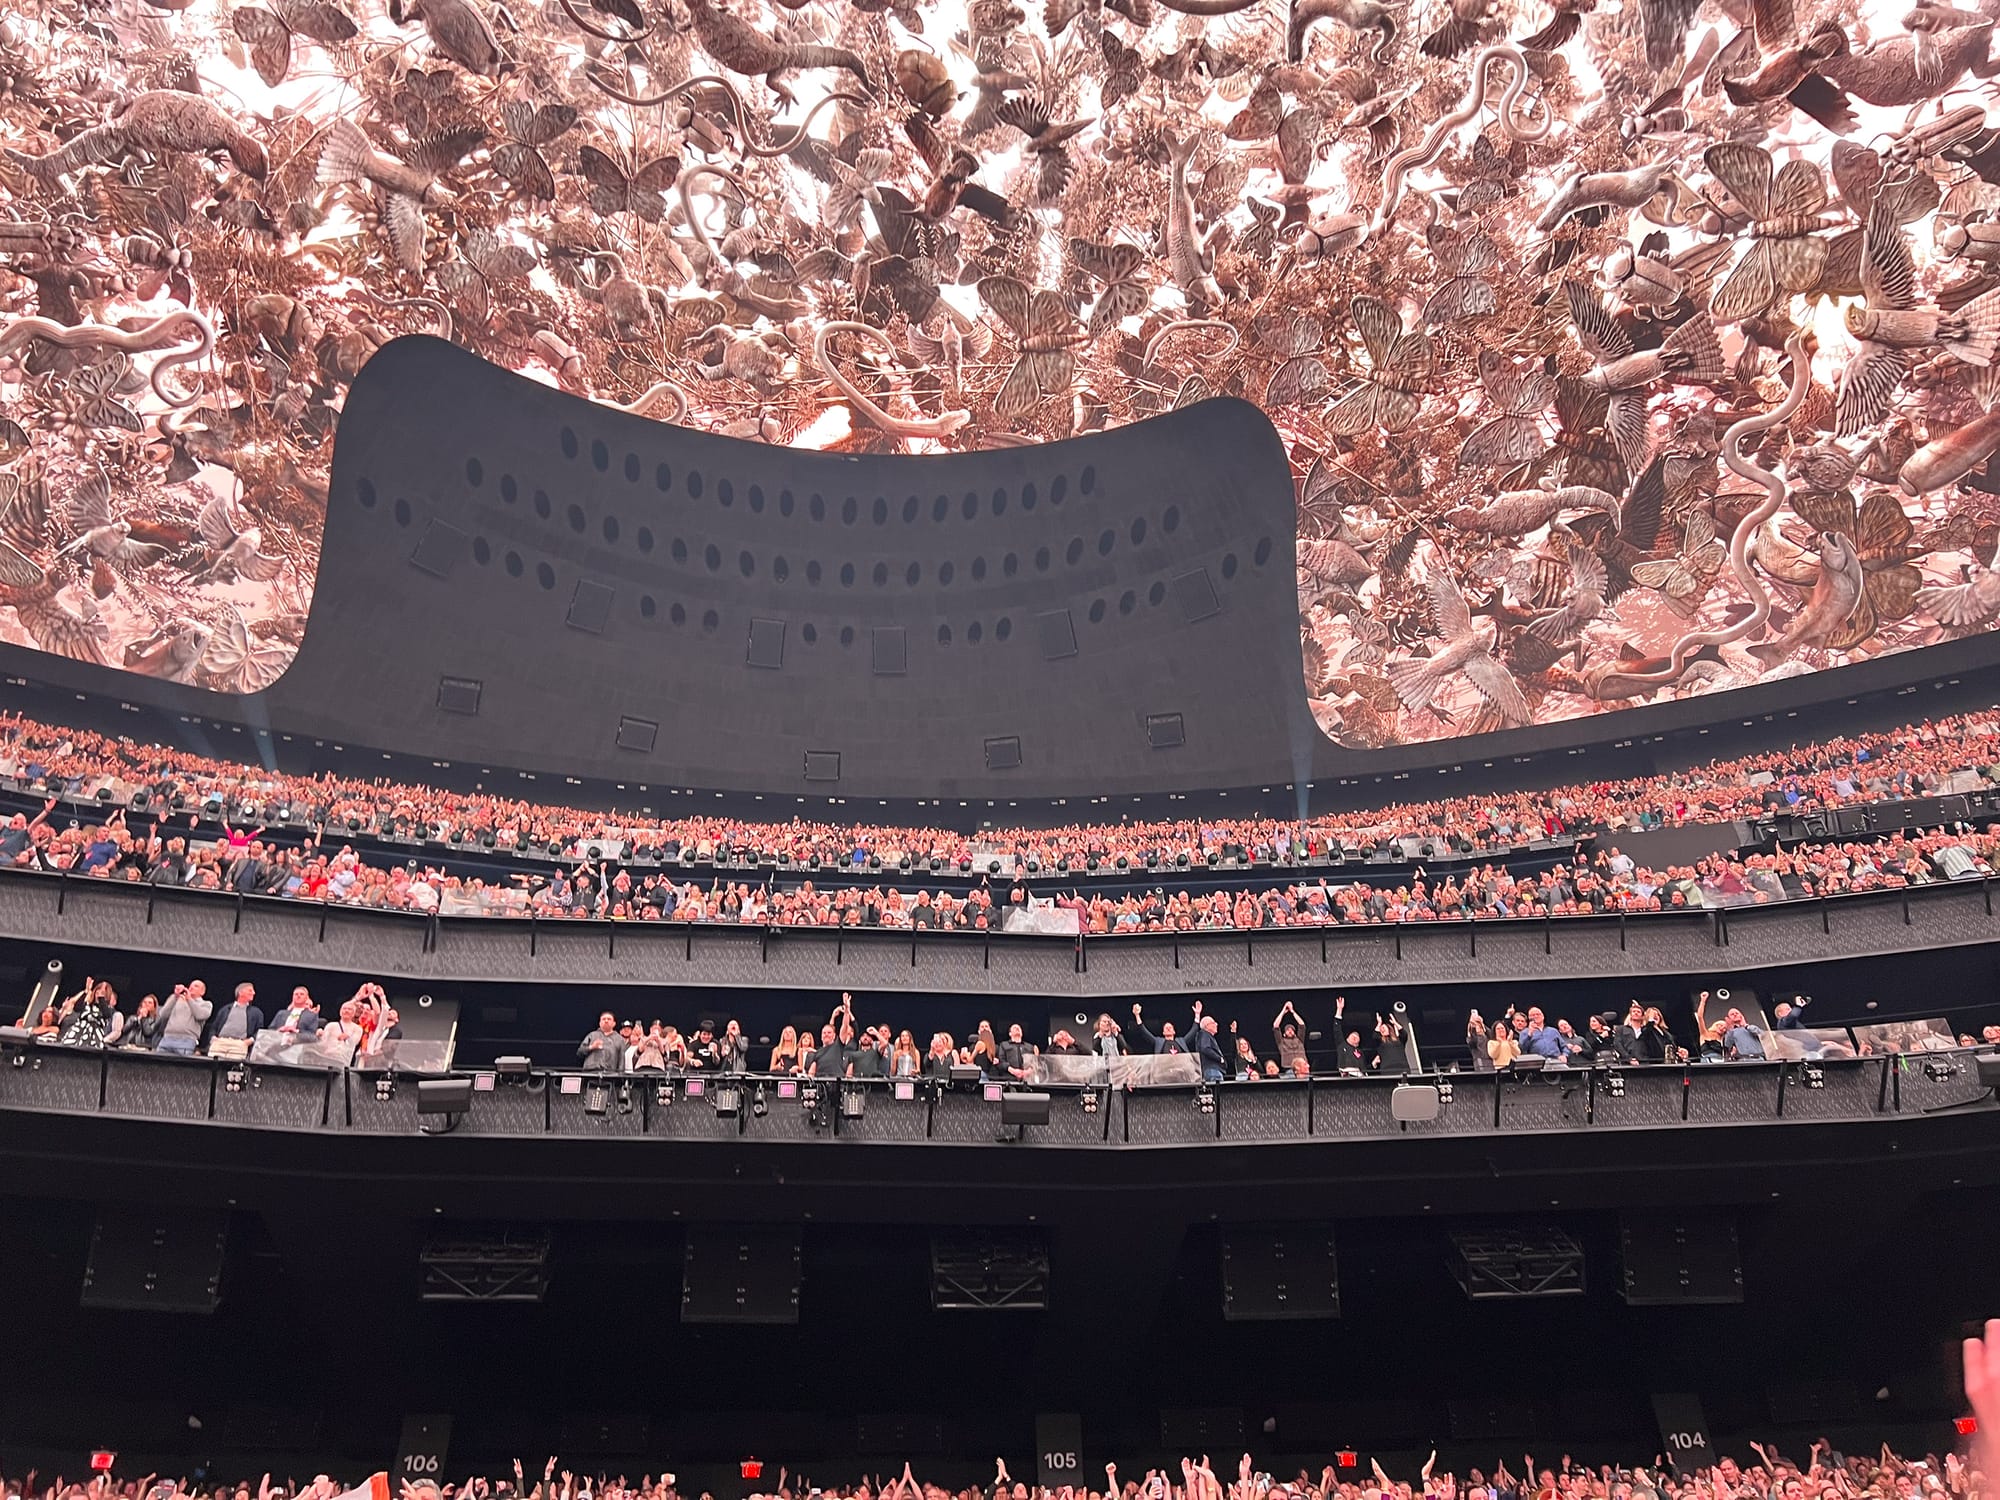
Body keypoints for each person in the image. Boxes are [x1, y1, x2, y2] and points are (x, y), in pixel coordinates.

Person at [157, 981, 212, 1056]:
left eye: (196, 986)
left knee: (180, 1066)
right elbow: (163, 1015)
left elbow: (200, 1015)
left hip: (186, 1040)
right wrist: (175, 996)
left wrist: (189, 999)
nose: (191, 987)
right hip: (167, 1038)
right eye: (190, 985)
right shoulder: (176, 999)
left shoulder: (206, 1004)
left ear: (202, 992)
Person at [1272, 1001, 1308, 1074]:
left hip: (1302, 1068)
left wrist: (1292, 1011)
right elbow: (1276, 1026)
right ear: (1284, 1033)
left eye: (1292, 1030)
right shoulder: (1281, 1041)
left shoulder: (1299, 1039)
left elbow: (1302, 1025)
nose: (1290, 1031)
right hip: (1289, 1068)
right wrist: (1283, 1011)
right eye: (1288, 1030)